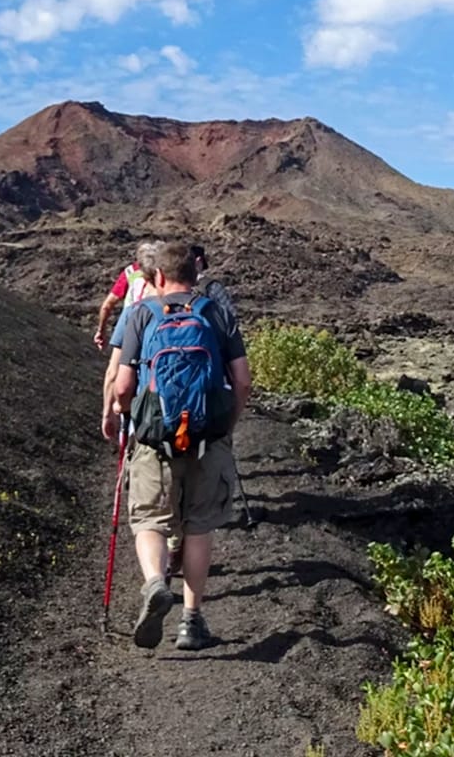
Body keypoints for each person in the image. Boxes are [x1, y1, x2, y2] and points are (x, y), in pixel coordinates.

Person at [105, 241, 250, 650]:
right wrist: (227, 425)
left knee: (149, 521)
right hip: (208, 437)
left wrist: (125, 413)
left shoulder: (141, 314)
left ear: (159, 276)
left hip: (156, 438)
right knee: (199, 527)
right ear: (195, 274)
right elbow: (242, 381)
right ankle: (191, 621)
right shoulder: (217, 313)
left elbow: (123, 386)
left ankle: (155, 582)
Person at [93, 243, 154, 350]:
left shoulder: (130, 272)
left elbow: (107, 306)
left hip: (130, 324)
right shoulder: (164, 273)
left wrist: (101, 331)